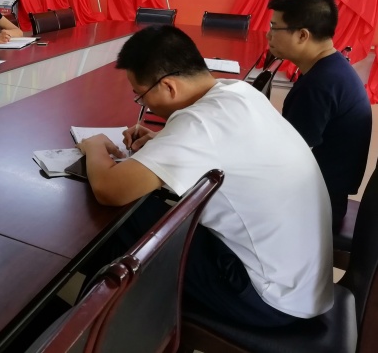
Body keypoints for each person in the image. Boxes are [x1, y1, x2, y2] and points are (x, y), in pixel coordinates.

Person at [78, 26, 333, 328]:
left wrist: (94, 146)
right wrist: (164, 142)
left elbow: (110, 189)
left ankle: (84, 325)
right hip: (299, 283)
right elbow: (220, 144)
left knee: (128, 219)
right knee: (149, 217)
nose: (144, 105)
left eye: (140, 95)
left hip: (267, 298)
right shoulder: (238, 91)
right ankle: (95, 316)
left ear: (168, 86)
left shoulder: (201, 124)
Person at [267, 0, 372, 232]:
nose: (268, 34)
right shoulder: (332, 67)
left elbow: (286, 159)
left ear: (302, 35)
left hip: (316, 206)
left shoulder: (318, 85)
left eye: (274, 27)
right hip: (326, 194)